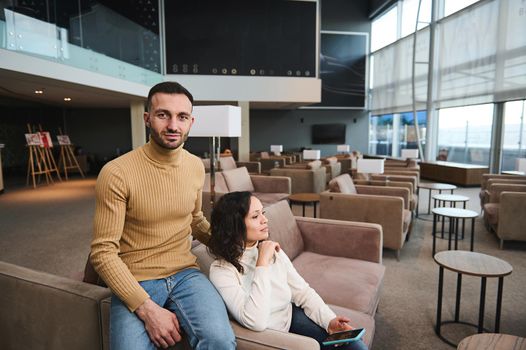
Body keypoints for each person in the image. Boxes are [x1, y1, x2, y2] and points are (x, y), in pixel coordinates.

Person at [90, 81, 236, 350]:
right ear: (147, 118)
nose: (172, 126)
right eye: (162, 115)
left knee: (220, 340)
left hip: (185, 274)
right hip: (136, 277)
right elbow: (103, 252)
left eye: (182, 117)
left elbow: (194, 219)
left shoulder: (194, 166)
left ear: (191, 122)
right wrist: (147, 309)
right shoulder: (116, 172)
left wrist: (233, 247)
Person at [207, 191, 368, 350]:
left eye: (263, 213)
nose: (265, 220)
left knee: (355, 346)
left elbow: (303, 292)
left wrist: (329, 321)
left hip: (291, 317)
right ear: (234, 225)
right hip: (269, 335)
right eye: (255, 217)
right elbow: (256, 321)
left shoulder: (270, 248)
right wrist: (261, 263)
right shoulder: (222, 270)